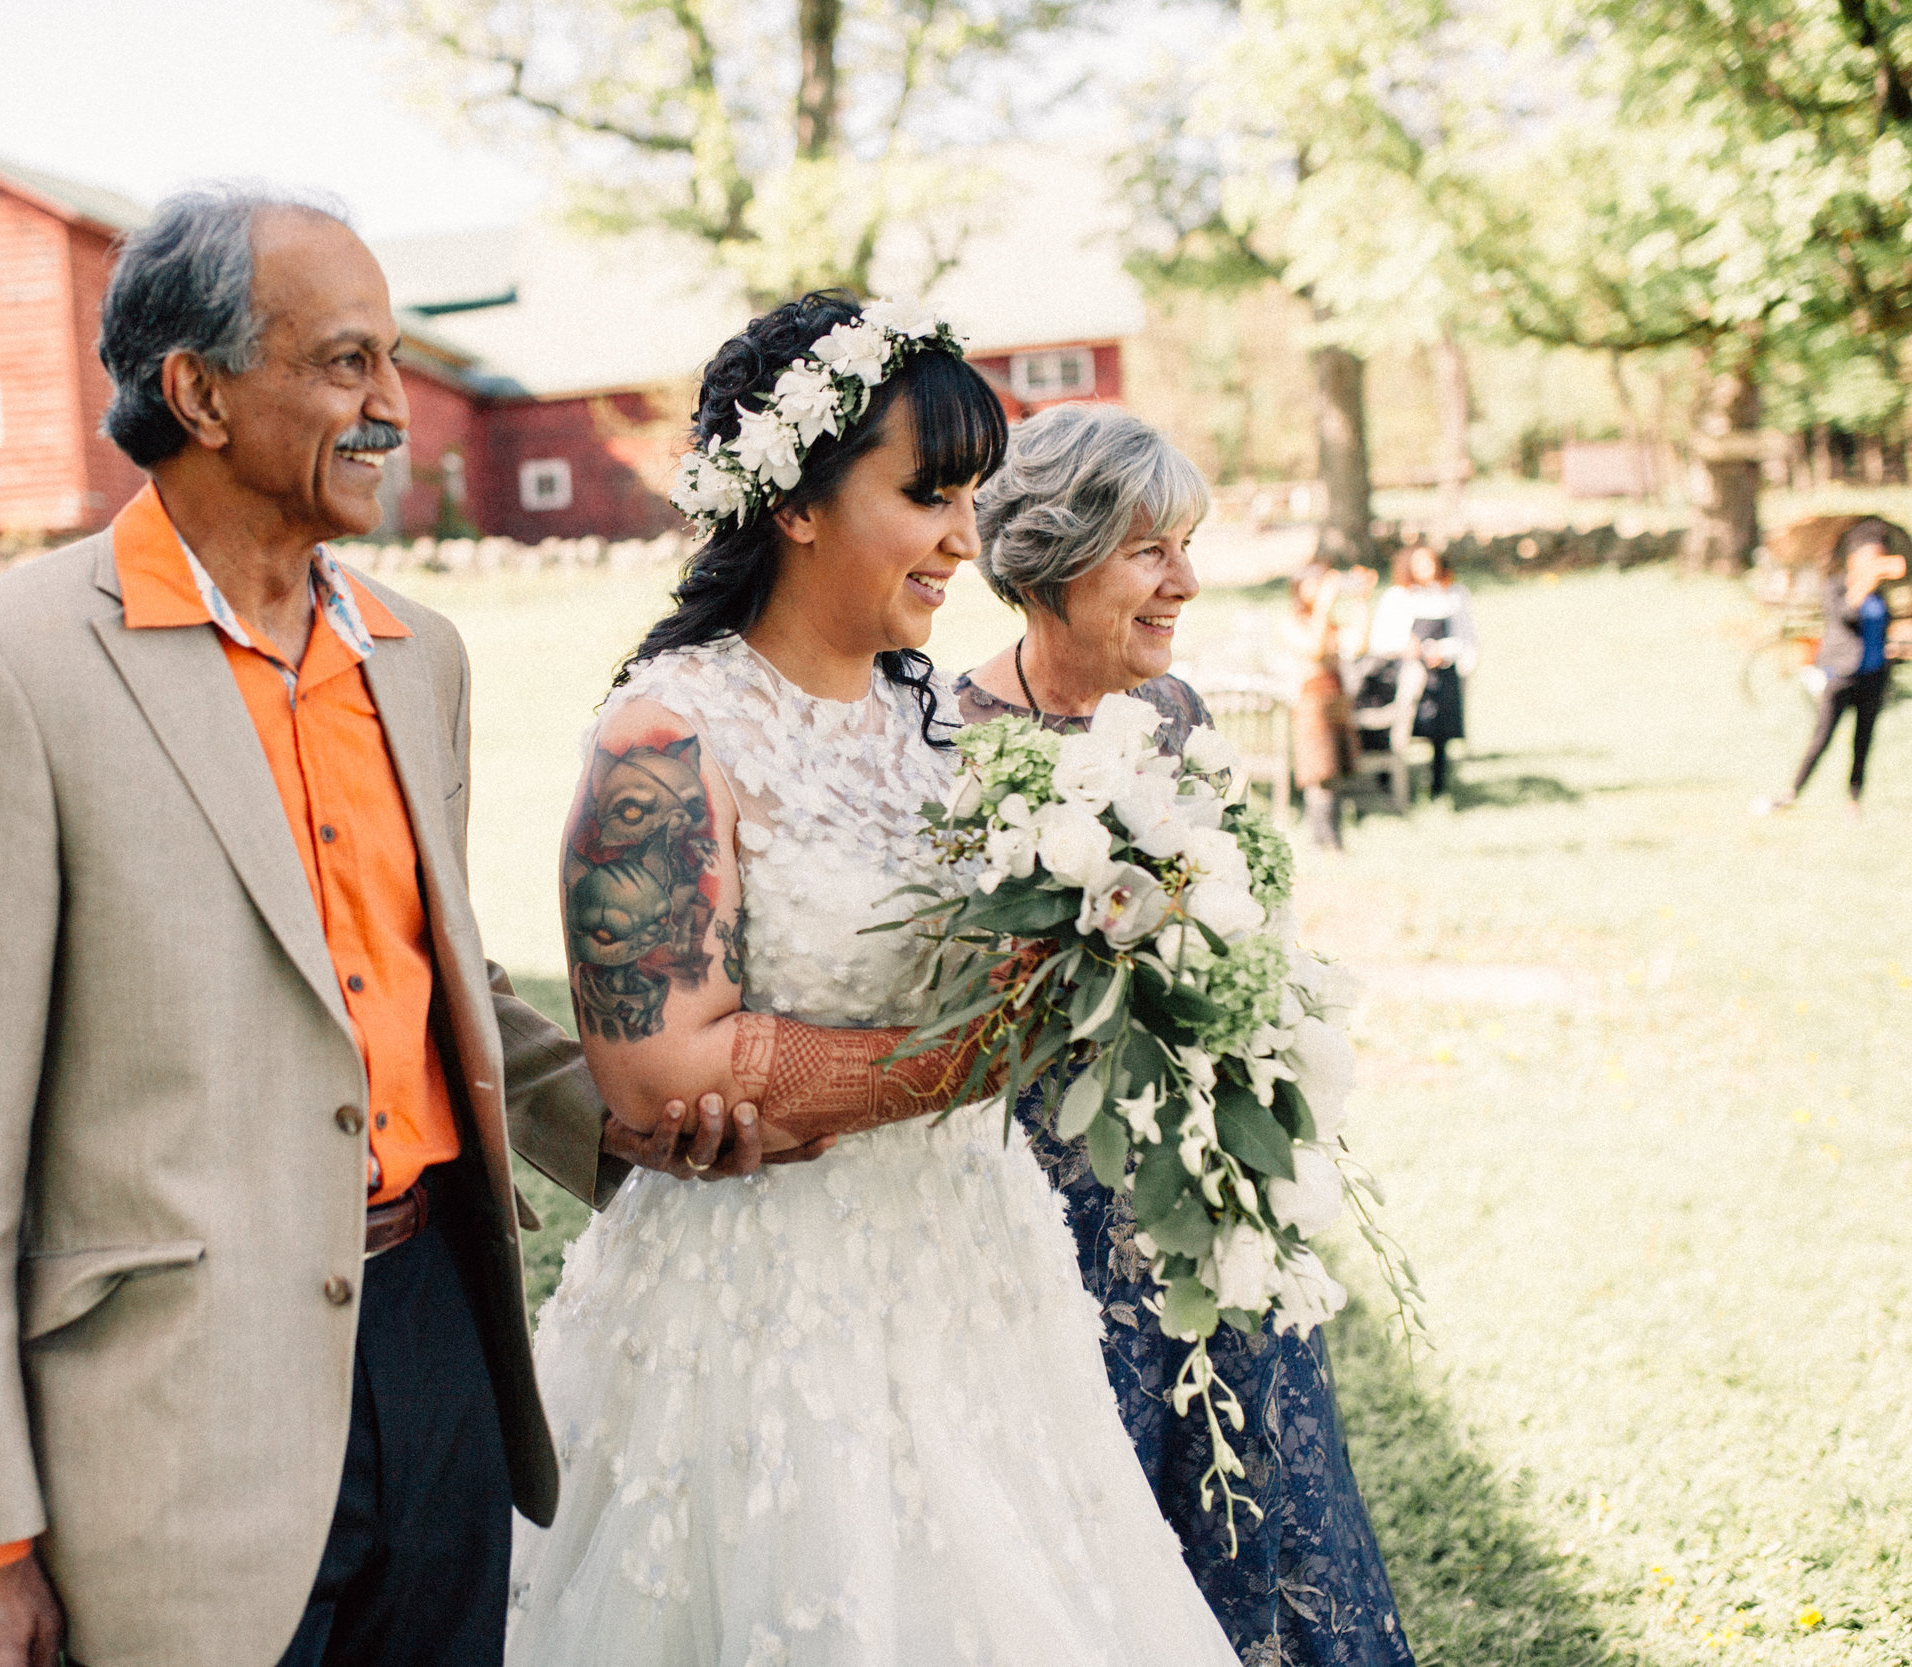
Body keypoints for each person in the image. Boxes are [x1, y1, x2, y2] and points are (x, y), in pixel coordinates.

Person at [0, 184, 775, 1667]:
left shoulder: (422, 657)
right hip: (177, 1402)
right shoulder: (6, 670)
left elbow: (430, 979)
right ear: (199, 390)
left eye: (394, 363)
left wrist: (635, 1118)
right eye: (348, 362)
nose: (394, 408)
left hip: (440, 1338)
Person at [507, 294, 1241, 1666]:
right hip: (766, 1308)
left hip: (978, 1269)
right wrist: (974, 1049)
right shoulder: (668, 735)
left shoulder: (936, 719)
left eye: (972, 495)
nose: (970, 536)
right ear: (794, 501)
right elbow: (664, 1076)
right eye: (931, 494)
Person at [965, 403, 1416, 1667]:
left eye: (1187, 544)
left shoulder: (1175, 711)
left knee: (1260, 1488)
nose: (1187, 580)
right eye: (1150, 551)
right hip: (1045, 1208)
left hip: (1208, 1179)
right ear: (1053, 560)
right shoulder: (951, 741)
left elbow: (1242, 927)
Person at [1759, 520, 1906, 814]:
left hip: (1873, 676)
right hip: (1842, 676)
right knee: (1822, 738)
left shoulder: (1879, 595)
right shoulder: (1837, 587)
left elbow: (1880, 631)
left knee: (1863, 740)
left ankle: (1855, 800)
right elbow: (1847, 615)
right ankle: (1792, 793)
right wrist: (1866, 581)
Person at [1367, 542, 1477, 798]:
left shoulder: (1454, 595)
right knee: (1395, 727)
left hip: (1440, 676)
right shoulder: (1398, 597)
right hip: (1404, 674)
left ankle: (1438, 784)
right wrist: (1406, 647)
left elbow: (1468, 638)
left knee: (1439, 732)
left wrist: (1443, 652)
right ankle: (1388, 779)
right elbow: (1379, 640)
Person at [1278, 562, 1359, 848]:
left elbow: (1359, 644)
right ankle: (1322, 841)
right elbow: (1314, 649)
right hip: (1310, 703)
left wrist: (1362, 602)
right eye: (1316, 584)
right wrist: (1324, 606)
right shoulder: (1290, 622)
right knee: (1318, 772)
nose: (1323, 589)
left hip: (1336, 699)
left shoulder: (1329, 623)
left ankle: (1333, 840)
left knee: (1335, 773)